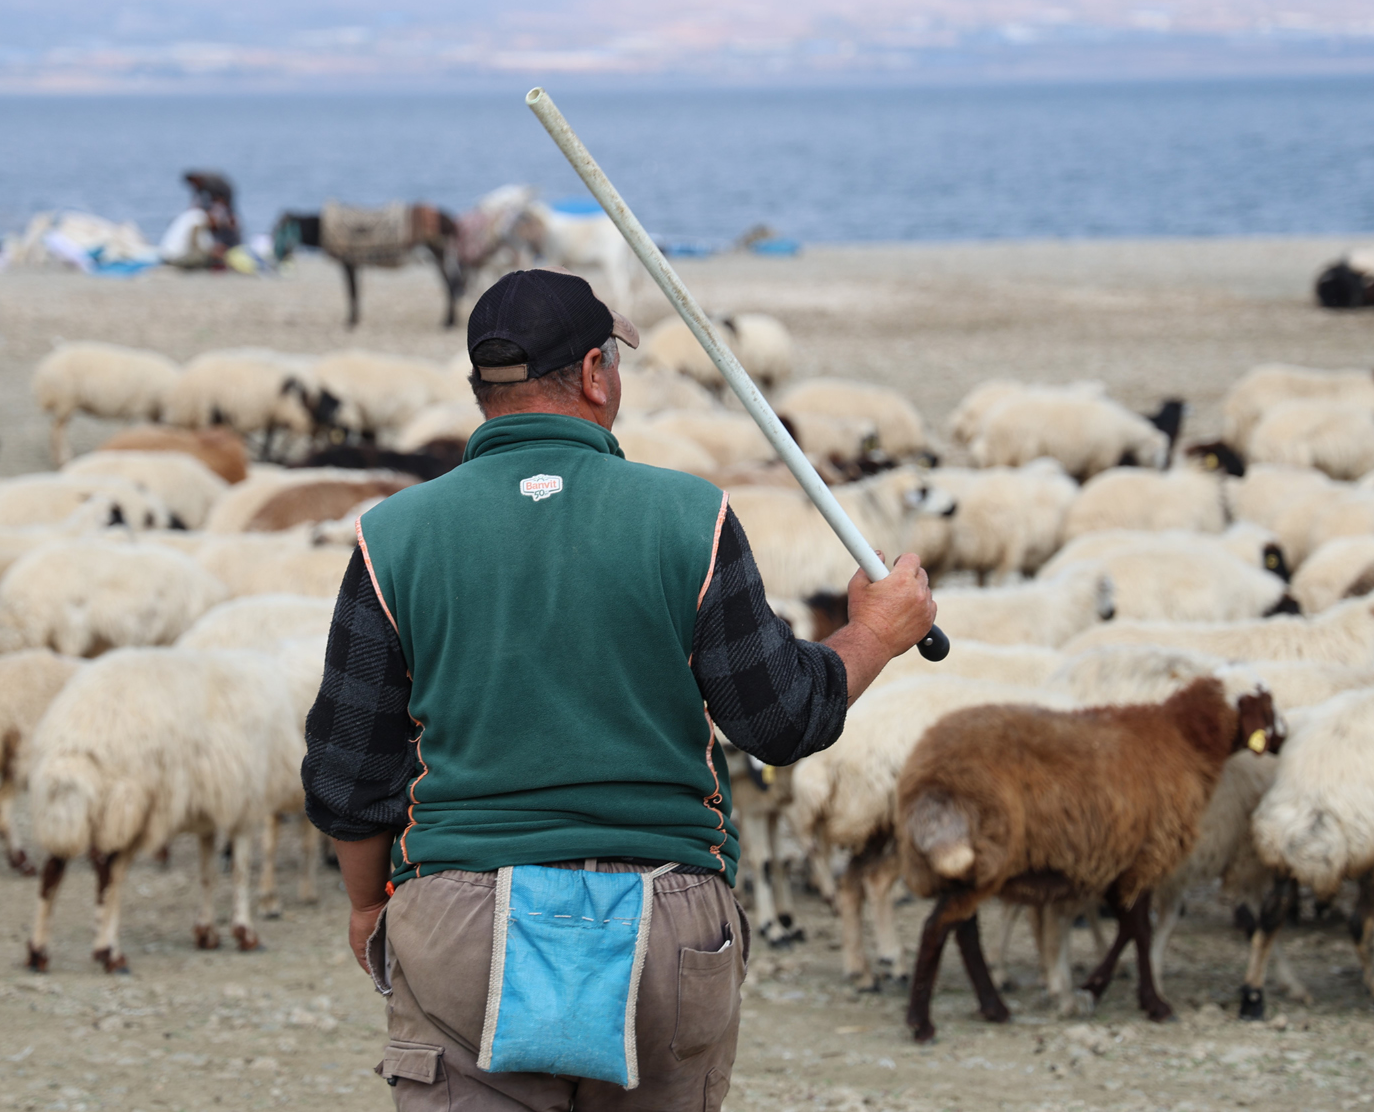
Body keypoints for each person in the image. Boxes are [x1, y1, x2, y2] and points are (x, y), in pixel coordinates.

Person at [302, 268, 936, 1111]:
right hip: (664, 918)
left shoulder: (391, 535)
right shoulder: (690, 515)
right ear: (598, 374)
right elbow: (781, 718)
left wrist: (362, 903)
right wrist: (876, 634)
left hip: (463, 916)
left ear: (479, 391)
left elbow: (351, 767)